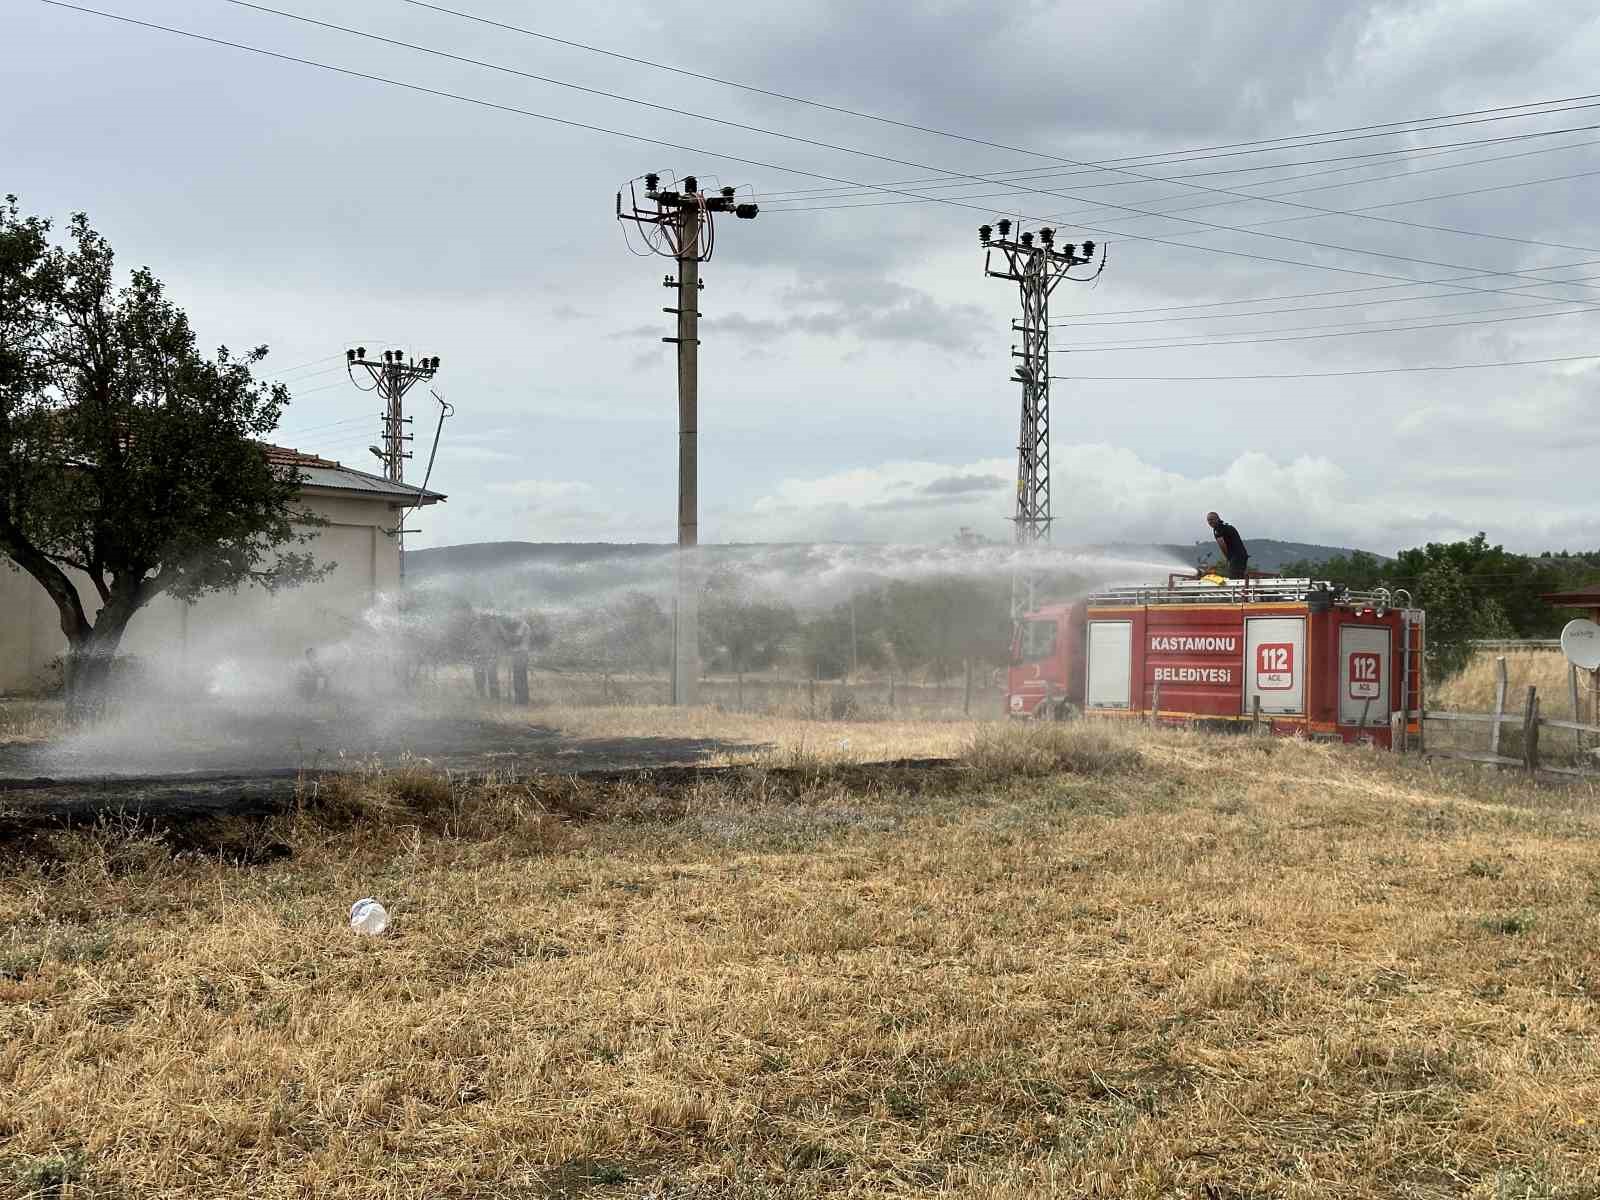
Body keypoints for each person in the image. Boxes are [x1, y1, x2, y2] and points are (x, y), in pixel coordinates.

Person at [1206, 512, 1249, 580]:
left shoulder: (1218, 529)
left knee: (1234, 579)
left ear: (1217, 519)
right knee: (1239, 577)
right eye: (1208, 520)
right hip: (1242, 556)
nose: (1210, 522)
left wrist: (1228, 558)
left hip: (1236, 557)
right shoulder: (1225, 526)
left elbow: (1222, 545)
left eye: (1212, 519)